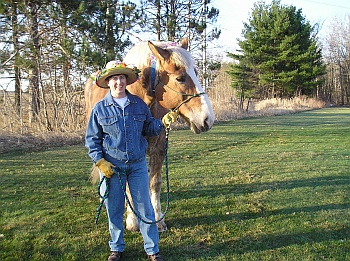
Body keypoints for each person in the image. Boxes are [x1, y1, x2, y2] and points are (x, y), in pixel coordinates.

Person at [85, 61, 178, 261]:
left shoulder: (138, 105)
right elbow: (92, 139)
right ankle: (116, 248)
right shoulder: (100, 109)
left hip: (137, 166)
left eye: (121, 78)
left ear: (126, 80)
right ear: (108, 82)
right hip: (113, 167)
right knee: (115, 209)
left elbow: (148, 128)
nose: (118, 82)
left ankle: (152, 250)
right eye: (114, 78)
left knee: (144, 208)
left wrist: (162, 123)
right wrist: (100, 161)